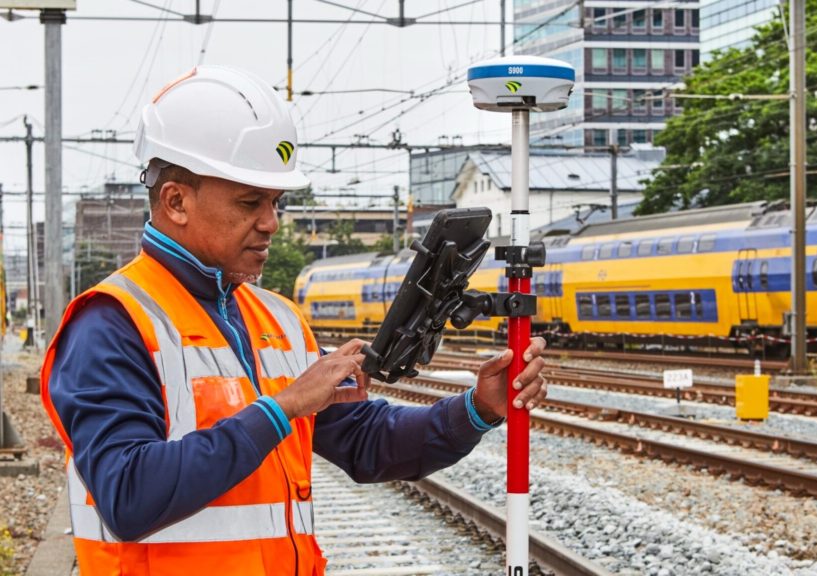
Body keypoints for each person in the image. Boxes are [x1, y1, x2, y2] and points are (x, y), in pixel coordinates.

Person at [40, 66, 548, 576]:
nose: (271, 222)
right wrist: (283, 408)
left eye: (275, 202)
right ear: (176, 201)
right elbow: (129, 496)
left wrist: (478, 408)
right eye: (249, 202)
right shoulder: (112, 322)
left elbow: (367, 443)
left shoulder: (276, 319)